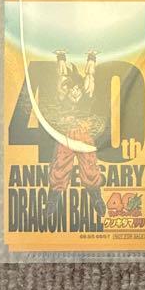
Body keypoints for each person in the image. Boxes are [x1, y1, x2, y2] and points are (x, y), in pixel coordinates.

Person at [45, 49, 105, 219]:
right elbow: (62, 76)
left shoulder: (87, 95)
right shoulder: (63, 95)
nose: (76, 92)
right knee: (60, 166)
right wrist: (61, 57)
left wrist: (91, 57)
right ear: (68, 89)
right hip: (66, 135)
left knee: (90, 167)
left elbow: (90, 76)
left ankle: (96, 196)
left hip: (84, 134)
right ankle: (53, 198)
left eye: (78, 88)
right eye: (73, 89)